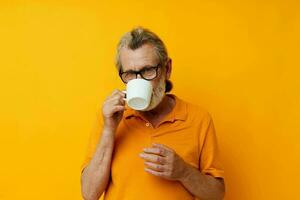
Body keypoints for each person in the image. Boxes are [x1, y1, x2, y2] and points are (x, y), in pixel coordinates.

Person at [80, 27, 225, 200]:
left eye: (148, 70)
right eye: (130, 74)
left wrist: (184, 172)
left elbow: (217, 194)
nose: (138, 81)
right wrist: (109, 129)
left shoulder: (198, 119)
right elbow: (89, 194)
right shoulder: (110, 118)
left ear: (167, 69)